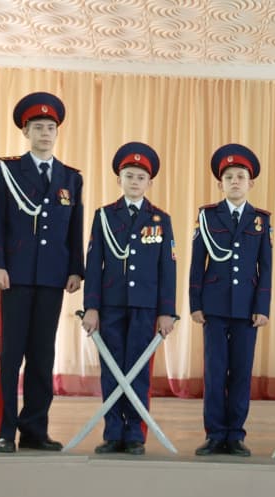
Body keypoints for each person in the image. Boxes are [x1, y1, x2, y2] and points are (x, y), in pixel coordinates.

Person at [0, 92, 84, 453]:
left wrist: (75, 269)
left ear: (57, 133)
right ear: (26, 132)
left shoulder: (70, 178)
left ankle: (34, 430)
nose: (45, 133)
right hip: (15, 275)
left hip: (52, 278)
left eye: (50, 128)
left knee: (42, 357)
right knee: (11, 355)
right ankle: (5, 431)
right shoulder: (8, 171)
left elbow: (75, 227)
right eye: (38, 127)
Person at [81, 141, 177, 455]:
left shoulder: (160, 219)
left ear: (150, 183)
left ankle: (135, 432)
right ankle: (113, 432)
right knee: (111, 370)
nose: (135, 182)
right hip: (110, 306)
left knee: (138, 370)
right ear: (118, 179)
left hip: (145, 307)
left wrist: (166, 311)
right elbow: (94, 264)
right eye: (129, 176)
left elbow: (168, 268)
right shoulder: (105, 216)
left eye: (140, 177)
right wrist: (91, 307)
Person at [189, 143, 273, 457]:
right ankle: (214, 434)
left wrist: (262, 307)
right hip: (214, 306)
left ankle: (235, 434)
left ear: (251, 183)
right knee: (214, 372)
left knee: (240, 372)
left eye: (240, 177)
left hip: (247, 307)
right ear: (220, 184)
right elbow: (197, 263)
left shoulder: (260, 220)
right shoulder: (207, 216)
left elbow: (266, 268)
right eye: (229, 177)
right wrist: (195, 303)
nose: (235, 182)